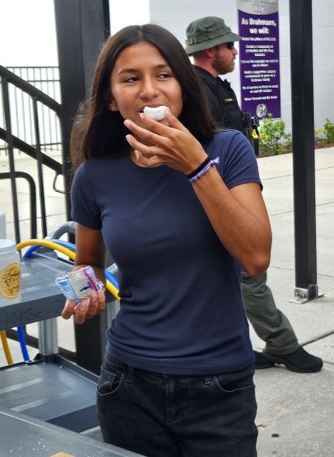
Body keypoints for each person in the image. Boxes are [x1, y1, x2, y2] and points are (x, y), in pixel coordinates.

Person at [61, 24, 272, 456]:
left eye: (163, 74)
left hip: (219, 383)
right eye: (130, 78)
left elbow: (255, 257)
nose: (149, 91)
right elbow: (88, 263)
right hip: (128, 381)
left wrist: (196, 166)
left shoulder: (226, 149)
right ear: (110, 97)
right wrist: (85, 288)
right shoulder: (95, 174)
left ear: (182, 84)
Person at [186, 15, 323, 373]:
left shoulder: (214, 86)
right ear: (211, 50)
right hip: (221, 199)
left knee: (235, 277)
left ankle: (239, 347)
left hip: (232, 193)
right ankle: (282, 344)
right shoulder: (198, 93)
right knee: (251, 275)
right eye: (229, 45)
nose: (235, 51)